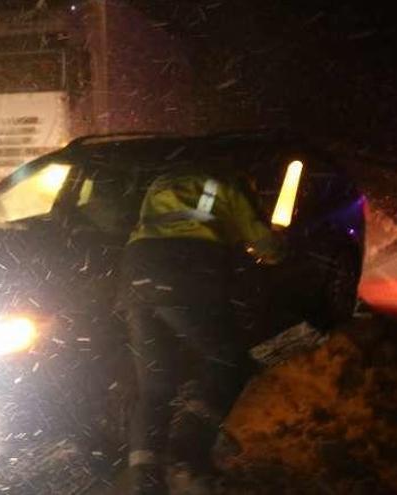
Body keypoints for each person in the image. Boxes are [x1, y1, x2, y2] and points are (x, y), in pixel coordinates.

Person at [118, 166, 284, 494]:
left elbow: (156, 227)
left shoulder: (162, 181)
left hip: (136, 277)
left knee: (154, 388)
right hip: (186, 274)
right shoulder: (230, 184)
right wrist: (275, 241)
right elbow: (267, 247)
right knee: (228, 362)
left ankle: (144, 481)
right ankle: (188, 452)